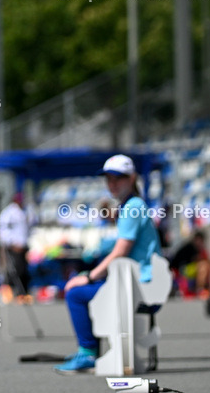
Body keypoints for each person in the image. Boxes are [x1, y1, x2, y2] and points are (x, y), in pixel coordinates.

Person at [55, 154, 163, 374]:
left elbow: (121, 251)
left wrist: (89, 276)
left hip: (141, 289)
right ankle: (91, 352)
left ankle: (88, 354)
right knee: (86, 286)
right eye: (108, 178)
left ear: (132, 178)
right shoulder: (131, 205)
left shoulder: (132, 207)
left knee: (75, 293)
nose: (112, 183)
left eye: (118, 178)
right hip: (140, 284)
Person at [0, 192, 32, 303]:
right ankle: (8, 291)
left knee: (24, 270)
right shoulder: (9, 213)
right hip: (13, 246)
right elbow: (4, 229)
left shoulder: (25, 211)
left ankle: (22, 293)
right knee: (14, 270)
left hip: (23, 246)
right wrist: (11, 242)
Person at [168, 231, 210, 299]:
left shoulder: (199, 248)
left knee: (207, 266)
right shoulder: (190, 248)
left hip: (187, 269)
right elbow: (197, 260)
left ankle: (207, 288)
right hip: (181, 270)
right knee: (203, 267)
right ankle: (200, 289)